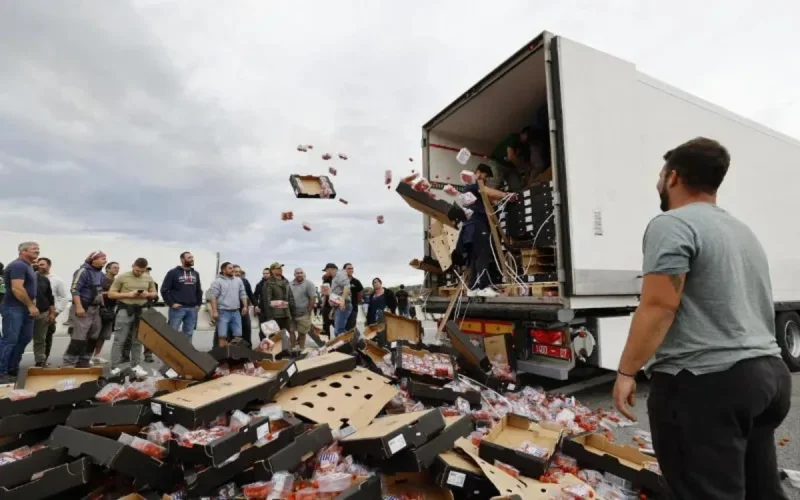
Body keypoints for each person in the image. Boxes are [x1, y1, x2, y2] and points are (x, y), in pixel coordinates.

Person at [612, 137, 792, 500]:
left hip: (706, 385)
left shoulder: (671, 224)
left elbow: (660, 306)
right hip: (768, 377)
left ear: (673, 177)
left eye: (661, 175)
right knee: (761, 489)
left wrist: (627, 372)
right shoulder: (742, 231)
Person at [455, 164, 507, 292]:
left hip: (469, 229)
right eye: (485, 176)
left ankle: (473, 288)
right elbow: (487, 191)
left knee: (474, 258)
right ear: (478, 172)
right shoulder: (474, 182)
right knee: (483, 254)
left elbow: (487, 197)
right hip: (478, 225)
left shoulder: (469, 187)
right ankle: (483, 286)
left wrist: (495, 200)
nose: (486, 179)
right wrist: (507, 195)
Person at [0, 242, 40, 383]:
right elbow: (17, 289)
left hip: (24, 308)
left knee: (25, 338)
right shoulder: (18, 265)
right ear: (23, 251)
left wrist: (31, 305)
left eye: (38, 249)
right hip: (13, 308)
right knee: (10, 340)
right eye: (34, 249)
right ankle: (1, 371)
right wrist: (30, 305)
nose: (38, 251)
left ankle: (12, 368)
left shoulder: (28, 266)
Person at [107, 258, 157, 369]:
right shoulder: (122, 277)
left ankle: (136, 366)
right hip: (125, 309)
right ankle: (114, 367)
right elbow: (111, 294)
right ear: (133, 266)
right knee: (119, 340)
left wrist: (147, 294)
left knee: (138, 340)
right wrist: (129, 295)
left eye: (142, 271)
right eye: (137, 270)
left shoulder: (148, 278)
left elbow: (154, 293)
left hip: (141, 310)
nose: (139, 273)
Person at [63, 251, 107, 368]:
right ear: (94, 259)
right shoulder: (83, 271)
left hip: (95, 308)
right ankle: (69, 363)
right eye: (102, 258)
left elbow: (99, 291)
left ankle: (84, 360)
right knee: (79, 336)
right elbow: (74, 289)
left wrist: (102, 307)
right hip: (83, 307)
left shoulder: (101, 274)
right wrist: (78, 306)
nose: (105, 261)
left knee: (94, 335)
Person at [35, 257, 71, 364]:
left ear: (49, 266)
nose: (39, 266)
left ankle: (43, 361)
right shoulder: (31, 277)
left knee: (46, 337)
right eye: (38, 264)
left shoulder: (57, 280)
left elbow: (64, 297)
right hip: (32, 312)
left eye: (42, 264)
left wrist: (55, 313)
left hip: (48, 312)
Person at [162, 251, 203, 339]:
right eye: (189, 258)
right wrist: (171, 303)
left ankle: (186, 352)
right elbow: (164, 290)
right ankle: (170, 352)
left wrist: (199, 304)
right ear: (182, 259)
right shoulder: (173, 273)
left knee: (189, 333)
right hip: (178, 308)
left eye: (192, 257)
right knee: (172, 333)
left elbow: (198, 290)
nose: (192, 259)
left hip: (192, 309)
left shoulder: (195, 274)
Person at [208, 262, 248, 347]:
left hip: (236, 312)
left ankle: (234, 356)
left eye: (232, 268)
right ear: (223, 270)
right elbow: (213, 297)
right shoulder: (217, 282)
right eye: (230, 268)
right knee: (222, 336)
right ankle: (223, 357)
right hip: (223, 312)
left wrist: (245, 306)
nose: (232, 269)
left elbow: (243, 294)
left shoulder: (238, 280)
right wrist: (215, 311)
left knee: (238, 336)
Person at [490, 126, 533, 192]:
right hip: (497, 163)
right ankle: (487, 199)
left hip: (510, 168)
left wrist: (527, 182)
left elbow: (526, 166)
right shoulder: (514, 137)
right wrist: (521, 166)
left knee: (517, 187)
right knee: (496, 181)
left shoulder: (525, 146)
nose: (526, 139)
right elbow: (511, 156)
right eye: (527, 136)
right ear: (522, 134)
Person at [94, 261, 119, 365]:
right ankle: (86, 356)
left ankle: (97, 355)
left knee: (104, 335)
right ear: (107, 268)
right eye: (114, 267)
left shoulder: (117, 281)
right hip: (99, 309)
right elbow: (97, 292)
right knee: (94, 333)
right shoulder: (102, 278)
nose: (117, 269)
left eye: (118, 268)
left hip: (111, 310)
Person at [261, 263, 296, 336]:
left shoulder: (286, 282)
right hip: (274, 315)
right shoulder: (269, 283)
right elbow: (267, 301)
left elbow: (290, 297)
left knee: (286, 336)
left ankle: (286, 348)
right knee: (275, 337)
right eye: (278, 268)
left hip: (286, 314)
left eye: (281, 268)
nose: (280, 269)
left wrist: (293, 312)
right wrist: (269, 317)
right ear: (272, 271)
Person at [31, 261, 55, 367]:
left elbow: (50, 298)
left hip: (42, 313)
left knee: (40, 339)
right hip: (25, 313)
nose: (37, 266)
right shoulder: (21, 278)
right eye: (34, 264)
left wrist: (52, 314)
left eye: (39, 264)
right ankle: (11, 363)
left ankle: (40, 361)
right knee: (20, 338)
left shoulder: (44, 280)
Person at [289, 268, 316, 349]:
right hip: (291, 313)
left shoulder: (309, 284)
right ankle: (293, 348)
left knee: (302, 333)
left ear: (303, 274)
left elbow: (313, 297)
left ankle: (301, 349)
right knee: (291, 331)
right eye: (297, 273)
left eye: (301, 273)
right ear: (294, 274)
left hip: (304, 313)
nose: (299, 274)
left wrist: (309, 310)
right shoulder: (289, 284)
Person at [323, 263, 351, 336]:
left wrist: (342, 301)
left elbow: (347, 286)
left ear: (330, 269)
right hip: (337, 306)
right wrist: (333, 309)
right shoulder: (335, 278)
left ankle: (356, 342)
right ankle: (353, 342)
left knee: (339, 331)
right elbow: (336, 295)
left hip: (343, 305)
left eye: (326, 270)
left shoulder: (339, 275)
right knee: (339, 330)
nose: (325, 273)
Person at [233, 265, 254, 346]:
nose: (238, 273)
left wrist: (256, 305)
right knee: (234, 333)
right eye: (236, 271)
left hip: (244, 309)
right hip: (232, 310)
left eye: (239, 272)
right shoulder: (228, 281)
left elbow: (250, 294)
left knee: (247, 329)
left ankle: (248, 349)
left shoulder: (245, 281)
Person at [343, 263, 363, 330]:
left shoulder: (356, 282)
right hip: (342, 308)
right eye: (349, 268)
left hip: (353, 308)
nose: (351, 270)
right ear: (344, 270)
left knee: (351, 328)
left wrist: (357, 302)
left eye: (352, 268)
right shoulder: (340, 281)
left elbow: (359, 294)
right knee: (342, 328)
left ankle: (351, 340)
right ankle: (344, 340)